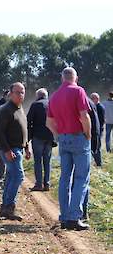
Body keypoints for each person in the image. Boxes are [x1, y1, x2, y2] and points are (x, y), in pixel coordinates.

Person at [46, 67, 91, 231]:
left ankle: (64, 217)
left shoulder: (54, 96)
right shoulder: (78, 91)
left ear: (62, 78)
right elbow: (84, 116)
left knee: (65, 177)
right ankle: (74, 217)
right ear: (75, 77)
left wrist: (59, 135)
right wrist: (88, 134)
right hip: (78, 137)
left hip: (63, 139)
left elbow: (49, 123)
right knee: (81, 178)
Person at [0, 82, 31, 220]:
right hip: (11, 149)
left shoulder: (20, 109)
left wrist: (27, 147)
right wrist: (6, 150)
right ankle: (9, 206)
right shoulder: (5, 110)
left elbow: (24, 130)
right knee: (18, 176)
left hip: (19, 149)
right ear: (10, 93)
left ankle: (6, 208)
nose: (20, 95)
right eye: (17, 92)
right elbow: (0, 132)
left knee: (11, 177)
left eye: (22, 92)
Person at [27, 88, 54, 191]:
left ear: (38, 96)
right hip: (49, 136)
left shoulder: (35, 105)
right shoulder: (52, 104)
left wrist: (28, 138)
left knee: (38, 161)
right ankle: (47, 184)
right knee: (47, 161)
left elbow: (29, 121)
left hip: (38, 136)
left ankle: (38, 184)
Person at [90, 93, 105, 166]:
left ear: (97, 99)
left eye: (93, 98)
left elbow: (101, 120)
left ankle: (99, 163)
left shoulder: (100, 107)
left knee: (97, 147)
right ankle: (96, 162)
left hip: (97, 131)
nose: (92, 100)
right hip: (94, 130)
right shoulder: (94, 106)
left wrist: (98, 129)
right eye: (91, 98)